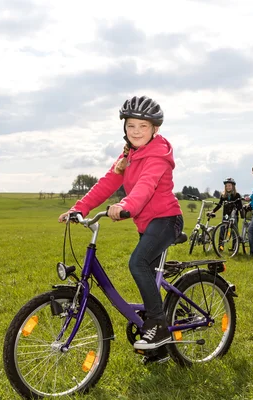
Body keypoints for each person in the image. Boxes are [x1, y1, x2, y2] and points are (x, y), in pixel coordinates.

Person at [58, 96, 183, 351]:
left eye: (143, 126)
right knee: (144, 269)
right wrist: (79, 208)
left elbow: (145, 187)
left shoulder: (158, 155)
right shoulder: (128, 155)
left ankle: (158, 326)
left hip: (167, 220)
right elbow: (106, 183)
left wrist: (126, 206)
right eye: (131, 126)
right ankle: (158, 349)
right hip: (146, 226)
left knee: (137, 263)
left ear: (155, 129)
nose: (136, 131)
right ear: (124, 128)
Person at [210, 177, 243, 251]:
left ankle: (234, 247)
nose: (228, 187)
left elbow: (240, 206)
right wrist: (213, 211)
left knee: (234, 231)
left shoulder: (237, 195)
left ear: (233, 186)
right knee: (222, 229)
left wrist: (240, 212)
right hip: (226, 215)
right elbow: (219, 205)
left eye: (229, 185)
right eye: (226, 186)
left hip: (234, 215)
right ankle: (220, 247)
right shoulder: (223, 195)